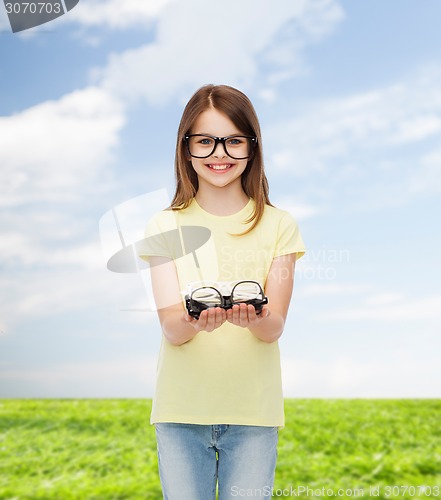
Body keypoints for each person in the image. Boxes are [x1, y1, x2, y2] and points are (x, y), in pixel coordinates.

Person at [140, 84, 306, 500]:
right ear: (186, 148)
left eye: (233, 140)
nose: (220, 154)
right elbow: (173, 329)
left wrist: (257, 317)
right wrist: (198, 321)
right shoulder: (164, 226)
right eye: (206, 141)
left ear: (252, 147)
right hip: (181, 413)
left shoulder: (279, 225)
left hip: (253, 413)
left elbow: (274, 328)